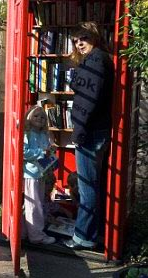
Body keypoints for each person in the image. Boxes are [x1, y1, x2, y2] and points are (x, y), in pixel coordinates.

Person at [64, 22, 114, 250]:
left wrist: (79, 132)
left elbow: (88, 101)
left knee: (87, 187)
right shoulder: (101, 59)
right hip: (98, 130)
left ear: (94, 36)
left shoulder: (96, 61)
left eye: (83, 38)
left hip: (90, 133)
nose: (79, 43)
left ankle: (83, 236)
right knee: (93, 185)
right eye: (75, 40)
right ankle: (96, 232)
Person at [22, 105, 56, 245]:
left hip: (42, 173)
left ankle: (27, 231)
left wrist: (51, 152)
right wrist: (41, 153)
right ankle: (37, 236)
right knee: (33, 205)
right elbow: (23, 152)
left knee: (38, 203)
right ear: (28, 117)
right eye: (36, 116)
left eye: (42, 117)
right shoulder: (27, 134)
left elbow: (48, 152)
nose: (39, 119)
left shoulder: (44, 135)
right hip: (31, 174)